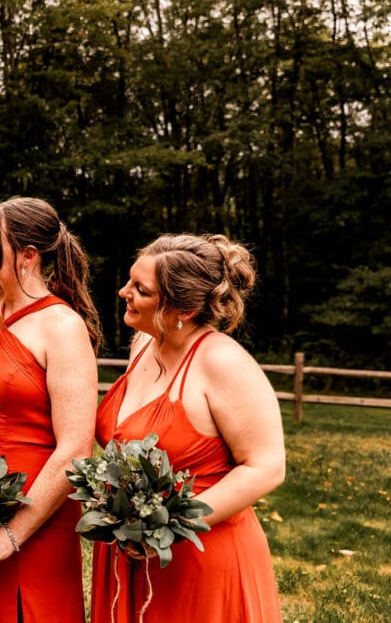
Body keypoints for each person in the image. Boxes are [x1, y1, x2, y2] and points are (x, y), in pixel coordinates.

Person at [91, 234, 284, 623]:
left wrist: (169, 526)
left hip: (201, 557)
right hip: (131, 553)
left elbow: (267, 466)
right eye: (131, 280)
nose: (123, 291)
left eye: (140, 289)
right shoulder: (144, 344)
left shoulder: (222, 362)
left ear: (183, 308)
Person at [0, 196, 101, 622]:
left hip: (32, 517)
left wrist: (11, 535)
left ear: (28, 256)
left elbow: (75, 449)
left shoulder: (62, 327)